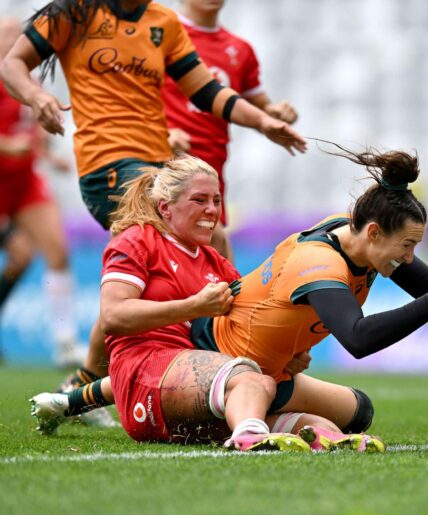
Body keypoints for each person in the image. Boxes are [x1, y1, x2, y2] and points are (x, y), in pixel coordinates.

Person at [31, 145, 428, 450]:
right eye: (201, 201)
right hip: (213, 360)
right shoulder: (318, 262)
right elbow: (359, 339)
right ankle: (250, 436)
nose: (213, 211)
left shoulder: (219, 258)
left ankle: (73, 400)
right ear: (371, 232)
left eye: (217, 200)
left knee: (358, 411)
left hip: (230, 362)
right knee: (251, 381)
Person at [0, 0, 306, 404]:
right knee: (195, 247)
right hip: (108, 169)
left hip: (157, 165)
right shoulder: (72, 13)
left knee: (208, 248)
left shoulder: (162, 22)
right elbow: (11, 64)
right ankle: (96, 382)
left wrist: (262, 121)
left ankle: (82, 387)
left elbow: (208, 91)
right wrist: (36, 97)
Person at [163, 0, 299, 260]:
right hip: (162, 167)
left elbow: (256, 108)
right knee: (148, 248)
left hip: (211, 170)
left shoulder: (240, 49)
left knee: (215, 256)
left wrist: (275, 114)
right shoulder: (160, 35)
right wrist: (159, 133)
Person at [0, 15, 87, 368]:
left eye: (16, 36)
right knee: (20, 253)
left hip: (23, 182)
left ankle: (65, 343)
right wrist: (8, 148)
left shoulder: (28, 81)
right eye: (5, 35)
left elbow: (31, 133)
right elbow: (13, 139)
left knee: (56, 250)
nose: (12, 41)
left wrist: (51, 158)